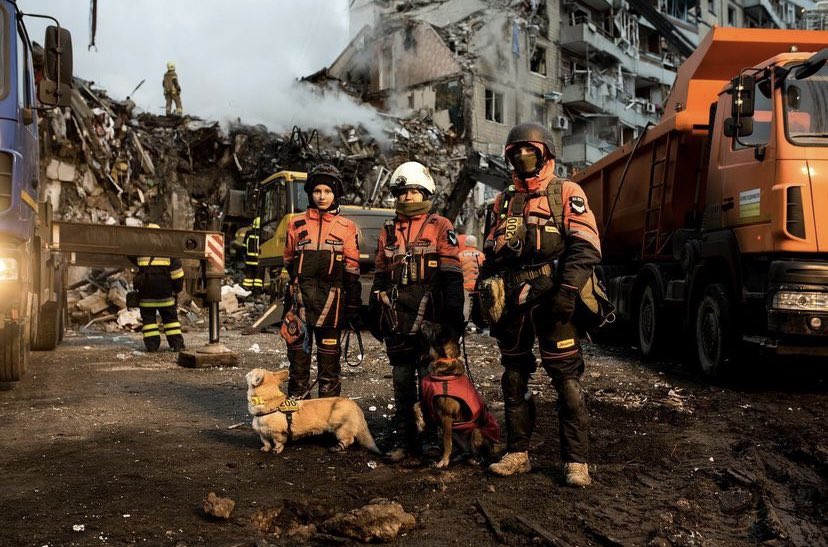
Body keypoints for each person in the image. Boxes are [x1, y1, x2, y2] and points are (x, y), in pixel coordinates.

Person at [480, 122, 601, 487]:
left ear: (545, 153)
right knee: (514, 378)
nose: (522, 157)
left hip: (553, 299)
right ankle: (518, 453)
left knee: (566, 381)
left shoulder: (566, 192)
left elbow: (586, 246)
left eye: (529, 151)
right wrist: (483, 296)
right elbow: (491, 255)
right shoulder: (502, 201)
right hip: (514, 304)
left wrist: (567, 291)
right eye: (516, 153)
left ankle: (576, 462)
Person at [370, 161, 465, 461]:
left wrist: (453, 314)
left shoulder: (441, 226)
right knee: (401, 380)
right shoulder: (388, 230)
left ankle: (432, 441)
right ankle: (405, 439)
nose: (408, 197)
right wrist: (374, 308)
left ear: (425, 192)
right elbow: (381, 273)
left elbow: (452, 273)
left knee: (430, 382)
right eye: (402, 192)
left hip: (430, 320)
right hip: (397, 319)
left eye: (413, 191)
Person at [282, 164, 361, 399]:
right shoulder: (295, 224)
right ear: (310, 193)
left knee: (329, 370)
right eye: (317, 191)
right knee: (298, 368)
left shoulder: (347, 227)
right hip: (300, 306)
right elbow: (288, 260)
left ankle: (327, 421)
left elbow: (352, 268)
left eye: (327, 191)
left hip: (332, 307)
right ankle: (297, 423)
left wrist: (353, 304)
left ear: (335, 194)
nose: (322, 196)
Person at [131, 223, 186, 352]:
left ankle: (152, 346)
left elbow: (129, 255)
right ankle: (177, 345)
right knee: (171, 321)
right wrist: (176, 290)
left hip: (146, 296)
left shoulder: (140, 253)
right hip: (165, 296)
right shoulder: (169, 253)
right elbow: (178, 275)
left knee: (149, 322)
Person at [458, 234, 485, 331]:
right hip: (477, 285)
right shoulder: (481, 255)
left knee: (465, 304)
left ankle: (464, 324)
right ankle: (479, 324)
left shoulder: (460, 255)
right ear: (475, 243)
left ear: (466, 243)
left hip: (465, 284)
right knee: (478, 305)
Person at [241, 217, 264, 294]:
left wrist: (245, 256)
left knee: (249, 276)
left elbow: (244, 246)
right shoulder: (262, 233)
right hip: (258, 259)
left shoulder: (248, 233)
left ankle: (247, 289)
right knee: (258, 278)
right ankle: (257, 291)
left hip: (249, 259)